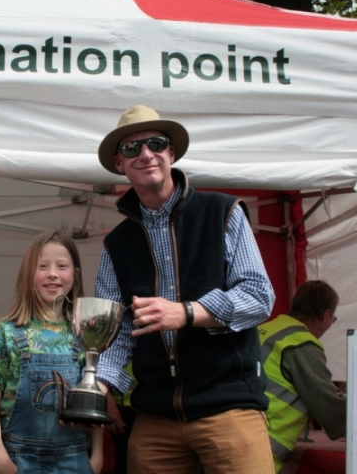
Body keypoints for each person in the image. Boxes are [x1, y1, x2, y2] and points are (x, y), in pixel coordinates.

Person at [93, 105, 276, 474]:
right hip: (155, 417)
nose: (146, 154)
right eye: (132, 148)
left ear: (171, 153)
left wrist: (187, 312)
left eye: (156, 143)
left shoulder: (222, 211)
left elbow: (259, 296)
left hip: (229, 409)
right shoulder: (116, 244)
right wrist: (100, 384)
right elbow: (117, 328)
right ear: (120, 163)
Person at [0, 230, 104, 474]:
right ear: (28, 274)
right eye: (43, 266)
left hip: (74, 461)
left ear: (75, 275)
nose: (52, 273)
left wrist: (97, 457)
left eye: (61, 266)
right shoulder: (5, 333)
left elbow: (92, 402)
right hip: (18, 461)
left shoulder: (85, 334)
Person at [259, 280, 346, 473]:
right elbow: (329, 409)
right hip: (261, 443)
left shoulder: (267, 329)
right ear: (326, 315)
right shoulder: (301, 343)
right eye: (333, 319)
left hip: (230, 432)